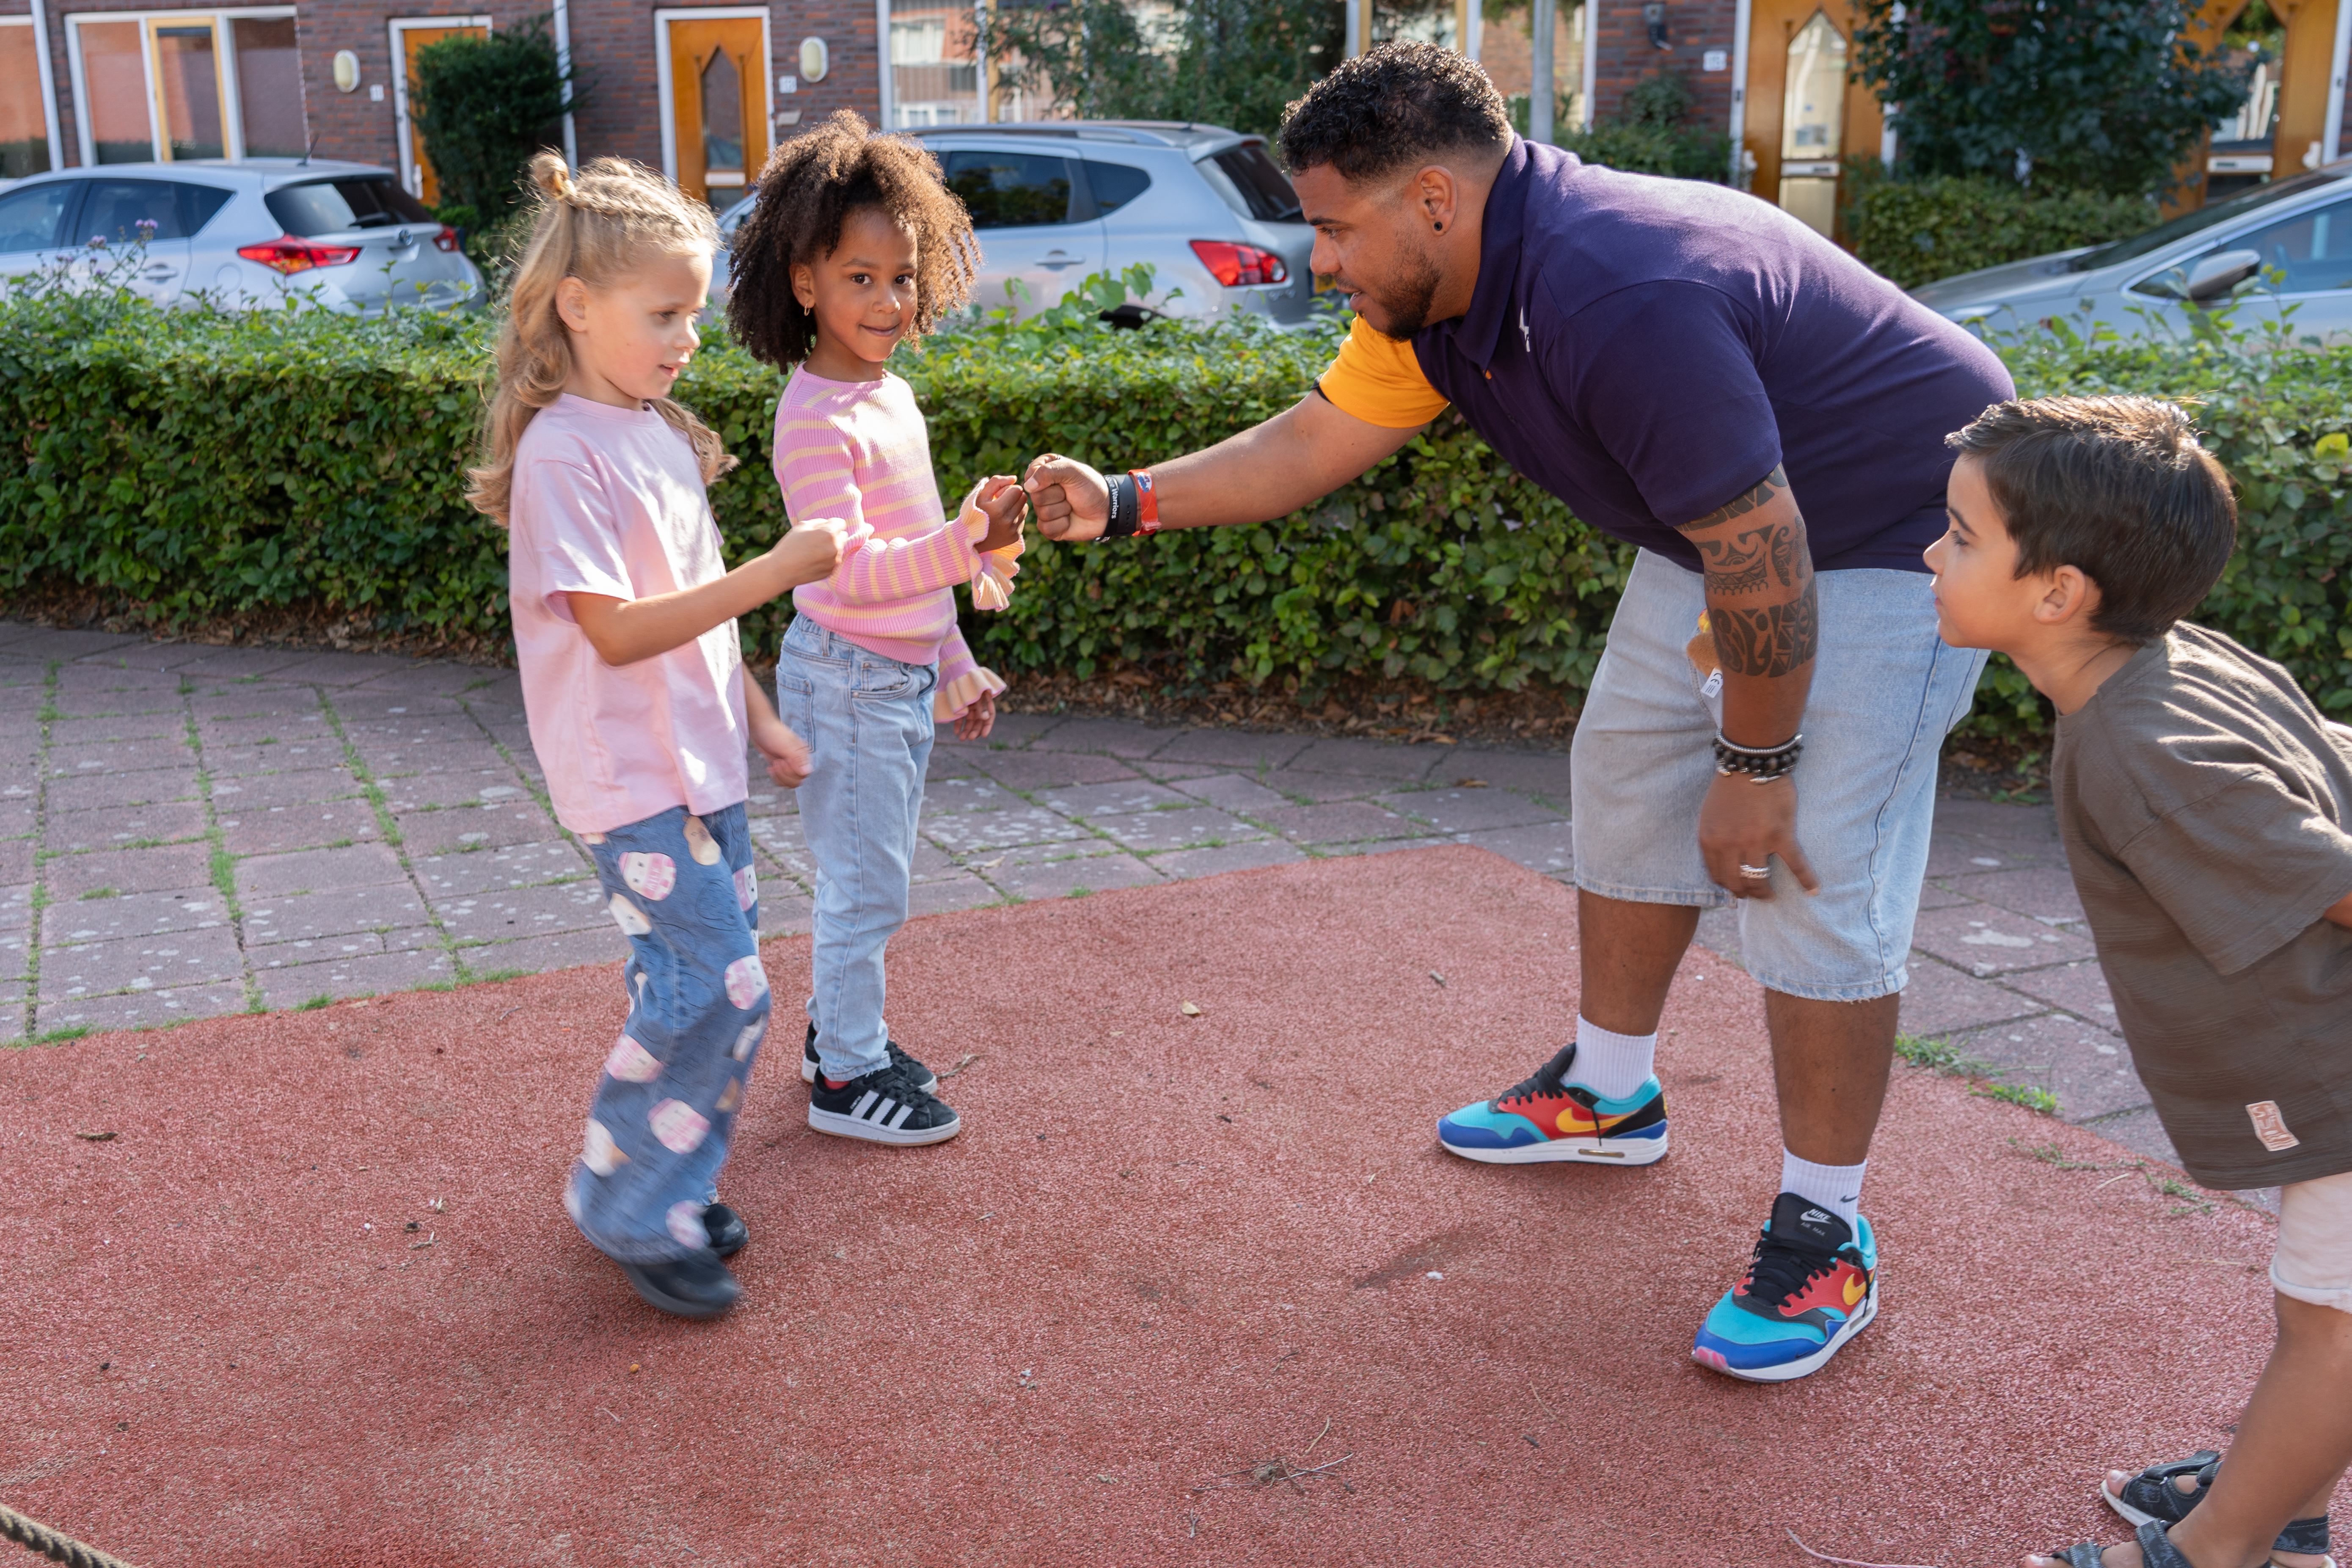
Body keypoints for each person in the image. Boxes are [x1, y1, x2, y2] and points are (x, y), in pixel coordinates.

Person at [1023, 43, 2010, 1381]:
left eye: (1329, 226)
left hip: (1900, 530)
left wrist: (1759, 760)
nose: (1319, 261)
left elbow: (1763, 545)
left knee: (1808, 873)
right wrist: (1123, 495)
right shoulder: (1434, 295)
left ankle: (1825, 1228)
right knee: (1624, 775)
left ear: (1431, 197)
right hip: (1726, 528)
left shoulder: (1616, 290)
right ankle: (1609, 1092)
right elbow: (1310, 444)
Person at [1916, 395, 2350, 1568]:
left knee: (2333, 1333)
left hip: (2336, 1067)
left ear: (2057, 592)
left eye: (1958, 536)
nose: (1929, 551)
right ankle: (2276, 1495)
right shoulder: (2172, 660)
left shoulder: (2137, 743)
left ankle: (2225, 1549)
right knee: (2318, 1314)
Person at [467, 154, 850, 1319]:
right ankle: (630, 1201)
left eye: (692, 312)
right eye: (664, 313)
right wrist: (774, 572)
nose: (688, 336)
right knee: (720, 987)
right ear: (577, 306)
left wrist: (764, 722)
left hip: (699, 768)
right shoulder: (562, 455)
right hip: (630, 781)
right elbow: (621, 633)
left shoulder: (657, 439)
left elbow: (696, 628)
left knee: (692, 980)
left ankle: (664, 1176)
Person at [726, 112, 1027, 1146]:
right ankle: (846, 1078)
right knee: (865, 890)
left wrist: (953, 661)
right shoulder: (813, 417)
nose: (889, 301)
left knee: (877, 883)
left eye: (902, 277)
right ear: (804, 280)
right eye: (860, 278)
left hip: (891, 683)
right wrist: (966, 538)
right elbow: (849, 572)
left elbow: (917, 560)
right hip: (846, 680)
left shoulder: (893, 396)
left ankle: (838, 1037)